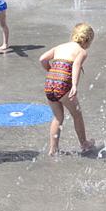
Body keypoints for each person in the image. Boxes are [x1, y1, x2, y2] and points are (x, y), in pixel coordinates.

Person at [39, 23, 96, 156]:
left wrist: (50, 70)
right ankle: (84, 143)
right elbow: (76, 65)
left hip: (50, 83)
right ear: (87, 40)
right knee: (77, 114)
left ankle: (53, 149)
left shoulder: (60, 47)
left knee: (58, 117)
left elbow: (42, 59)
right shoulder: (82, 52)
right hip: (64, 85)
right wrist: (74, 85)